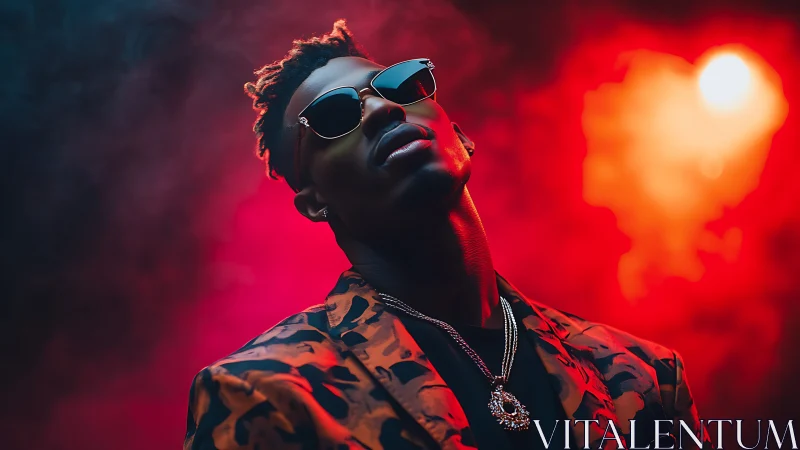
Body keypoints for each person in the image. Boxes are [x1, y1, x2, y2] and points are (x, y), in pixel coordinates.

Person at [184, 20, 712, 450]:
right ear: (315, 202)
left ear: (459, 136)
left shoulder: (643, 376)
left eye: (400, 86)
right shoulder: (268, 391)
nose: (384, 108)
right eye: (334, 115)